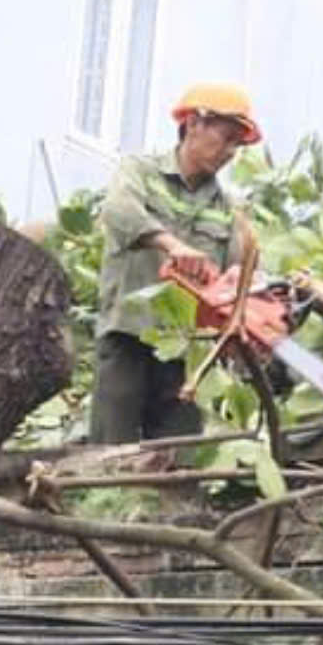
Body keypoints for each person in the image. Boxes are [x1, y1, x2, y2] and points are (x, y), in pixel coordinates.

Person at [91, 81, 262, 444]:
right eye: (226, 138)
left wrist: (247, 316)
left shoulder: (228, 210)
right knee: (110, 451)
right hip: (128, 333)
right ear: (194, 123)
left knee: (178, 454)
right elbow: (118, 211)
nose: (230, 152)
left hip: (185, 350)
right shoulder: (140, 171)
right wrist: (171, 245)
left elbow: (233, 278)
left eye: (237, 145)